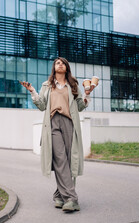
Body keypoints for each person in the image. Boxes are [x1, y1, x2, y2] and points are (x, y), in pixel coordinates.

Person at [20, 57, 92, 213]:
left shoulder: (73, 85)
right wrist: (32, 91)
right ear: (54, 67)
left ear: (66, 67)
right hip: (53, 123)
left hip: (69, 123)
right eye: (57, 63)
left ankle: (59, 195)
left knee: (69, 159)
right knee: (60, 158)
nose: (60, 64)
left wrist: (87, 94)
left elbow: (80, 106)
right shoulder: (47, 85)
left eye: (63, 63)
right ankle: (72, 199)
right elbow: (41, 106)